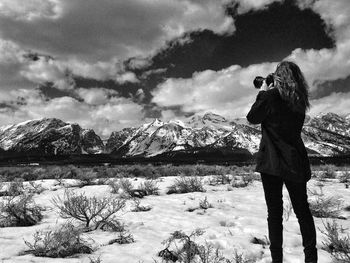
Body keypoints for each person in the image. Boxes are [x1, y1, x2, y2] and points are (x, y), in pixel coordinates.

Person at [246, 61, 317, 263]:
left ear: (277, 77)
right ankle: (311, 259)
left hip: (272, 163)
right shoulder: (299, 100)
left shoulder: (270, 96)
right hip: (295, 160)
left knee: (275, 214)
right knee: (303, 211)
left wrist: (263, 91)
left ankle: (277, 260)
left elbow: (252, 117)